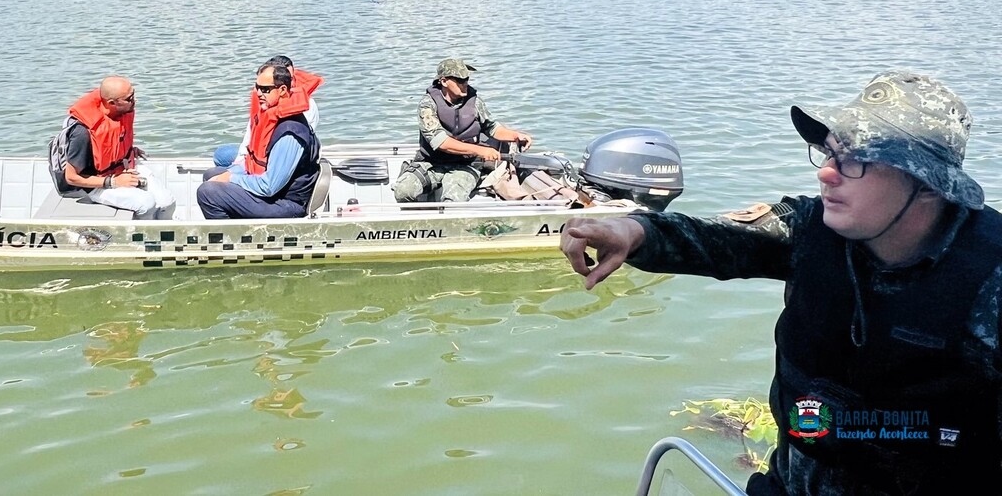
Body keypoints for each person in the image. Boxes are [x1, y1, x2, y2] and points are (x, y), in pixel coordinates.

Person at [560, 70, 1002, 495]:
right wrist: (634, 232)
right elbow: (718, 239)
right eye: (829, 153)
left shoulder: (990, 278)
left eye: (856, 161)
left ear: (926, 183)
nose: (826, 173)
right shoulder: (811, 231)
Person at [393, 58, 533, 203]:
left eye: (466, 79)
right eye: (460, 80)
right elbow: (441, 142)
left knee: (452, 199)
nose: (465, 83)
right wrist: (481, 151)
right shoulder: (428, 105)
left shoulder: (475, 102)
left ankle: (452, 222)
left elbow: (492, 128)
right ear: (444, 81)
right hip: (431, 163)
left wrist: (515, 136)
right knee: (403, 191)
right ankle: (419, 223)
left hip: (466, 165)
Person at [197, 63, 320, 219]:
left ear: (282, 90)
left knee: (208, 193)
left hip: (287, 204)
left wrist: (231, 178)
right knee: (212, 175)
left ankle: (233, 240)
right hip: (274, 193)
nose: (259, 93)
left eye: (265, 89)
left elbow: (269, 186)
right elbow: (255, 165)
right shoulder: (274, 117)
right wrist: (229, 173)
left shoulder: (290, 133)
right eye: (257, 87)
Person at [55, 76, 175, 219]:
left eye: (134, 94)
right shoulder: (82, 133)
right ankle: (142, 239)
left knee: (167, 202)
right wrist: (113, 182)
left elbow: (111, 143)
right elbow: (71, 178)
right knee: (146, 203)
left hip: (123, 168)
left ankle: (163, 235)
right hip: (98, 183)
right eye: (129, 99)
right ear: (112, 103)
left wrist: (127, 151)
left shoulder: (119, 112)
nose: (134, 101)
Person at [211, 55, 322, 168]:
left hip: (278, 157)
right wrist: (242, 159)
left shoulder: (305, 106)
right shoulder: (265, 100)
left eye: (291, 78)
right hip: (257, 152)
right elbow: (251, 133)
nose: (289, 83)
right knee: (221, 154)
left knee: (216, 177)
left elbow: (293, 148)